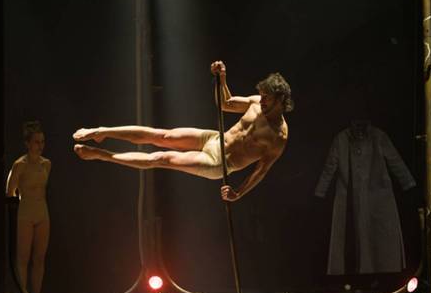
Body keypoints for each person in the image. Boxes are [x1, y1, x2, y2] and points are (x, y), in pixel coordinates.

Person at [73, 60, 292, 201]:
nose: (261, 101)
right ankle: (102, 131)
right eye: (261, 96)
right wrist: (222, 79)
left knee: (161, 158)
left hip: (219, 162)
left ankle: (103, 155)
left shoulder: (278, 137)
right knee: (162, 135)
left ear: (280, 99)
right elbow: (225, 104)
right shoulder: (255, 102)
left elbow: (261, 171)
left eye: (267, 98)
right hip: (214, 138)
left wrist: (238, 193)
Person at [6, 121, 51, 293]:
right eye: (36, 142)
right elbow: (9, 191)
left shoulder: (46, 164)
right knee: (23, 259)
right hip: (25, 213)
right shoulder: (20, 165)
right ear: (28, 143)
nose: (40, 146)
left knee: (39, 258)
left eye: (42, 142)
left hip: (42, 212)